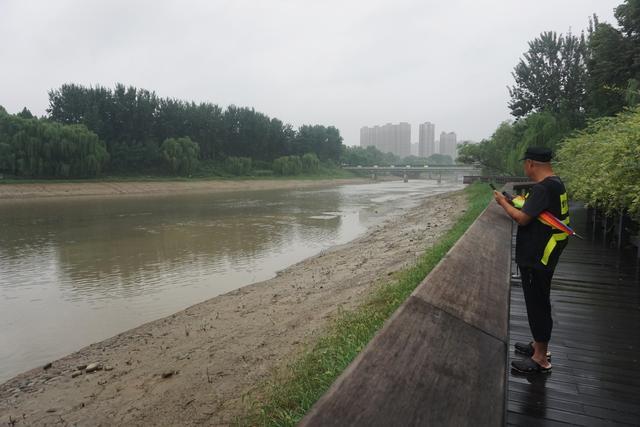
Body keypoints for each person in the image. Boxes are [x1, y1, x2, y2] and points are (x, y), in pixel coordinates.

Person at [493, 147, 570, 374]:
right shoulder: (556, 184)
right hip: (548, 251)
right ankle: (539, 346)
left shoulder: (543, 189)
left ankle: (540, 360)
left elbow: (522, 218)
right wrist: (515, 201)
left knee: (537, 304)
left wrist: (502, 202)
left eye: (525, 164)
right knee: (540, 300)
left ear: (531, 163)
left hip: (538, 256)